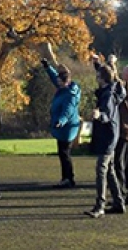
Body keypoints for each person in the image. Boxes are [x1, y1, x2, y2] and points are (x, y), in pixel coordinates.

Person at [93, 56, 128, 205]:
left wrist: (108, 65)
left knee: (117, 165)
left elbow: (112, 81)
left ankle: (119, 194)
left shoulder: (127, 89)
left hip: (123, 129)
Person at [84, 64, 126, 218]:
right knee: (110, 170)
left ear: (102, 79)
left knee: (101, 169)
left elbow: (107, 114)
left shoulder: (107, 95)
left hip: (107, 136)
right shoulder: (115, 89)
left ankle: (100, 205)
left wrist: (98, 115)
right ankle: (118, 202)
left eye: (98, 75)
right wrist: (98, 64)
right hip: (112, 135)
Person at [42, 59, 81, 189]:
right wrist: (48, 68)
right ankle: (67, 178)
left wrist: (61, 121)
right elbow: (54, 78)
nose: (58, 84)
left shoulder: (70, 95)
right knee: (63, 153)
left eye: (60, 82)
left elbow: (68, 111)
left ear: (66, 82)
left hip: (66, 128)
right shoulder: (64, 87)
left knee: (64, 154)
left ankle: (68, 179)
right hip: (64, 127)